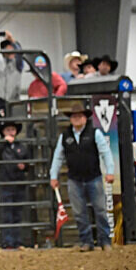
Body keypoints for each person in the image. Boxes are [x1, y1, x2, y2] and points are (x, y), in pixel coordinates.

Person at [49, 102, 114, 251]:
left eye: (79, 116)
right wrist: (53, 175)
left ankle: (105, 240)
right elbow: (58, 157)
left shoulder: (95, 133)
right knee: (79, 213)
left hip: (93, 177)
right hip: (75, 179)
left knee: (100, 210)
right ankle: (87, 241)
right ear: (70, 119)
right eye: (74, 116)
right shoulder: (65, 136)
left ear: (85, 118)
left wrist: (110, 171)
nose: (77, 118)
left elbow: (106, 153)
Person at [0, 121, 30, 249]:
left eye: (12, 129)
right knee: (7, 214)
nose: (10, 132)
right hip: (6, 183)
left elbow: (28, 162)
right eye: (8, 130)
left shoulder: (21, 146)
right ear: (3, 132)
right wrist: (4, 143)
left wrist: (24, 166)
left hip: (19, 183)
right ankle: (8, 242)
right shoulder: (1, 147)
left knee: (17, 214)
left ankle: (16, 241)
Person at [0, 30, 23, 118]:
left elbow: (20, 54)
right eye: (7, 48)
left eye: (11, 48)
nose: (9, 50)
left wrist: (11, 39)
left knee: (13, 117)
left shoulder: (18, 64)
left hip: (13, 97)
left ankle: (7, 122)